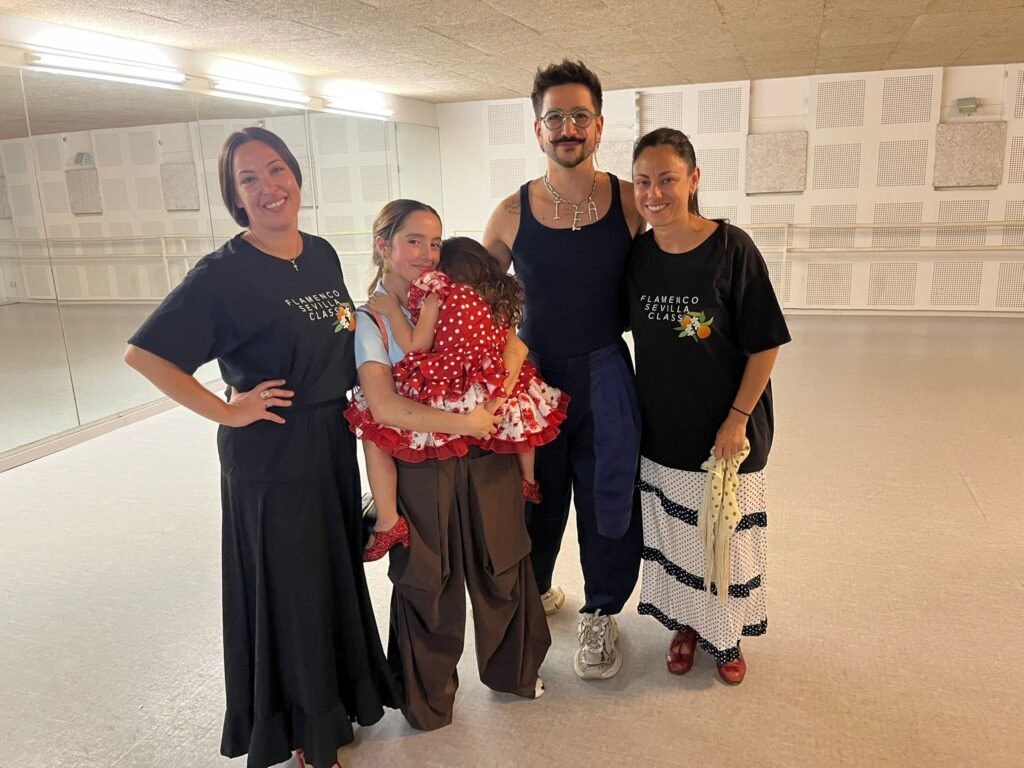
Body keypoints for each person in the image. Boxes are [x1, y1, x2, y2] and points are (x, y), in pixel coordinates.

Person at [124, 127, 401, 768]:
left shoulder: (321, 253)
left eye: (276, 170)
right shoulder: (223, 274)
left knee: (328, 578)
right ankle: (307, 735)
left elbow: (342, 331)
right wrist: (227, 409)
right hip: (270, 454)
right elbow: (145, 354)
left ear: (296, 176)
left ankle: (335, 702)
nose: (268, 187)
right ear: (235, 196)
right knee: (292, 592)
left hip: (329, 441)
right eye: (248, 179)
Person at [356, 199, 551, 731]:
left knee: (503, 564)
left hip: (488, 454)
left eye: (434, 242)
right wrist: (465, 421)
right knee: (428, 581)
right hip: (423, 465)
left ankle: (516, 672)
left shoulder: (452, 290)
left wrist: (496, 398)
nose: (426, 253)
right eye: (413, 241)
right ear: (384, 246)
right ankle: (426, 701)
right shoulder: (373, 318)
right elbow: (383, 407)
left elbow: (514, 347)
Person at [483, 59, 644, 680]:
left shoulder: (630, 203)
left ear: (599, 126)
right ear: (538, 130)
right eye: (555, 118)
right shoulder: (510, 213)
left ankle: (601, 611)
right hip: (536, 380)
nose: (568, 128)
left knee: (609, 498)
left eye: (580, 116)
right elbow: (476, 301)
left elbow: (679, 266)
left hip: (606, 372)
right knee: (535, 498)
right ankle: (535, 592)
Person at [627, 127, 791, 685]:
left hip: (728, 430)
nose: (654, 193)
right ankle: (686, 625)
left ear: (693, 180)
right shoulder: (638, 257)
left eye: (667, 179)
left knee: (727, 540)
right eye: (643, 182)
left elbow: (765, 343)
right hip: (664, 429)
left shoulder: (731, 248)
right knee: (679, 539)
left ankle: (726, 635)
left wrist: (737, 419)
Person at [345, 236, 569, 561]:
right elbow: (516, 347)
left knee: (373, 432)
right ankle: (528, 480)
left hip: (450, 390)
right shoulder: (493, 299)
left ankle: (387, 519)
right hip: (493, 386)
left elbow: (415, 346)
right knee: (524, 420)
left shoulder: (440, 296)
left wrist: (393, 312)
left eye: (434, 246)